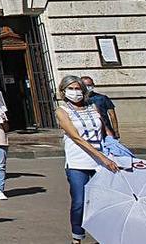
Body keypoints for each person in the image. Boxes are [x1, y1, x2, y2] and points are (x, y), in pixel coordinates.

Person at [55, 75, 120, 244]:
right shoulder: (62, 111)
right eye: (71, 89)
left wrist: (114, 145)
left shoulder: (93, 107)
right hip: (78, 162)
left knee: (104, 201)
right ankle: (77, 238)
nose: (75, 92)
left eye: (78, 89)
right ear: (63, 91)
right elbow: (76, 138)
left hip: (101, 162)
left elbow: (105, 130)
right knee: (79, 201)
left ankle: (104, 236)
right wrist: (103, 158)